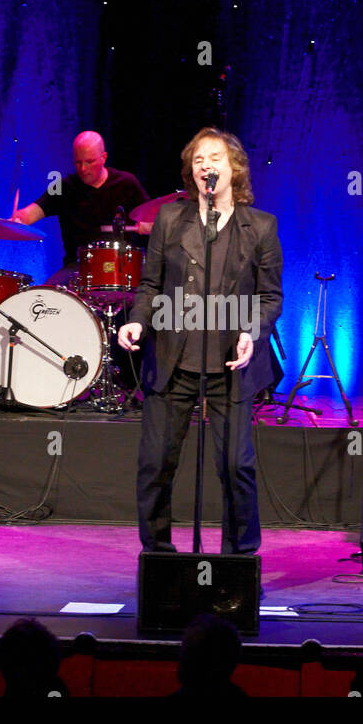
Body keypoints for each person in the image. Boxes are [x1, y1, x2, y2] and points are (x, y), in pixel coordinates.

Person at [118, 127, 282, 555]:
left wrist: (251, 331)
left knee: (236, 466)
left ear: (235, 168)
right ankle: (157, 555)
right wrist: (138, 321)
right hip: (175, 358)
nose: (206, 165)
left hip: (231, 362)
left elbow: (270, 297)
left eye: (215, 158)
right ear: (192, 173)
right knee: (156, 464)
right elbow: (150, 285)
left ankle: (239, 560)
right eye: (198, 160)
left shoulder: (260, 227)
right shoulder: (172, 220)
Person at [10, 130, 150, 286]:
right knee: (47, 298)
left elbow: (151, 218)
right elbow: (32, 212)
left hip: (122, 263)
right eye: (78, 162)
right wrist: (17, 219)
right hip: (77, 267)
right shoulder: (64, 187)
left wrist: (148, 225)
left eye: (89, 162)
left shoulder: (126, 183)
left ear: (103, 158)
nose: (83, 168)